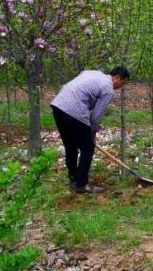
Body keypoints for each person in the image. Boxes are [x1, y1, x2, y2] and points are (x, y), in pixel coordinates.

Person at [50, 66, 130, 194]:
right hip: (73, 110)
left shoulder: (93, 73)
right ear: (117, 78)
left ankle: (73, 179)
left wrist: (89, 131)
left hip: (58, 106)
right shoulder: (108, 89)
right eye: (122, 83)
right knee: (87, 147)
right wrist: (92, 132)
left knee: (71, 145)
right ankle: (82, 184)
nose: (121, 87)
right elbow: (97, 115)